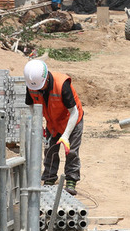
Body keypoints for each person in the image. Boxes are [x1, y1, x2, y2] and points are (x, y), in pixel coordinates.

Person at [23, 59, 84, 195]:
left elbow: (74, 111)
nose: (37, 90)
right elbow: (31, 106)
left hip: (71, 120)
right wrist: (38, 125)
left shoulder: (62, 84)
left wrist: (66, 135)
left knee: (71, 151)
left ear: (46, 79)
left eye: (40, 87)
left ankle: (71, 180)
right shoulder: (32, 84)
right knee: (50, 149)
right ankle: (49, 178)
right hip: (53, 122)